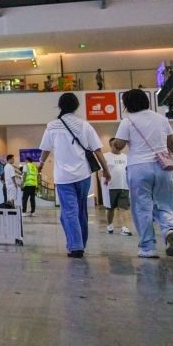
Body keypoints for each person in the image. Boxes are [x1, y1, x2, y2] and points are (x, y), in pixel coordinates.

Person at [110, 88, 173, 258]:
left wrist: (116, 142)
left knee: (142, 208)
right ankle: (171, 230)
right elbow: (171, 144)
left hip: (139, 168)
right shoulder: (161, 119)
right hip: (163, 167)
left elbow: (119, 145)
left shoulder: (127, 121)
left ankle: (148, 248)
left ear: (127, 104)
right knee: (164, 204)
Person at [39, 93, 111, 258]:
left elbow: (45, 150)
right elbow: (97, 150)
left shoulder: (52, 126)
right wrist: (106, 170)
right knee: (81, 210)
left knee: (69, 211)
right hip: (83, 175)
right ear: (76, 106)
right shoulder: (84, 125)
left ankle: (76, 246)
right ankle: (80, 244)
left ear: (60, 106)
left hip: (63, 177)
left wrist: (41, 164)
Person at [102, 139, 132, 236]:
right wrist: (103, 183)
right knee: (110, 208)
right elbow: (101, 172)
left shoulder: (126, 157)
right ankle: (110, 225)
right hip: (110, 186)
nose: (118, 146)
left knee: (124, 208)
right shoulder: (105, 156)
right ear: (111, 145)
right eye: (115, 144)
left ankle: (125, 228)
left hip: (124, 186)